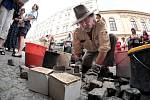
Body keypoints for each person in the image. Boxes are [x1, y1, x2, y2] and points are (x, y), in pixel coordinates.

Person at [72, 5, 116, 77]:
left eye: (86, 19)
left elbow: (104, 47)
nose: (84, 24)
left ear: (92, 17)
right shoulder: (76, 33)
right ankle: (91, 66)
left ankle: (105, 67)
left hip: (101, 49)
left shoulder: (100, 25)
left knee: (112, 37)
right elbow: (77, 51)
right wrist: (78, 62)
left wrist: (96, 67)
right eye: (80, 22)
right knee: (84, 68)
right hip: (90, 51)